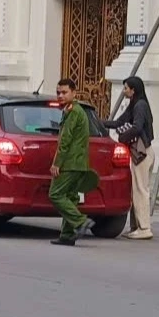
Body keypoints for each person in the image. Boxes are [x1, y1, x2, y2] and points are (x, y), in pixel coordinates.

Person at [103, 75, 155, 240]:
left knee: (140, 190)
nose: (124, 91)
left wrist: (123, 137)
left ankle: (144, 228)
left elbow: (137, 127)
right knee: (136, 190)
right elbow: (119, 122)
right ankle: (136, 227)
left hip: (141, 153)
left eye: (126, 88)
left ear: (133, 90)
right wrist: (100, 123)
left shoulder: (140, 105)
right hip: (141, 153)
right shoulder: (135, 104)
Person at [48, 78, 97, 246]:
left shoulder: (74, 112)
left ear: (74, 93)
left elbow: (65, 140)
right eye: (58, 92)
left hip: (70, 162)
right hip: (79, 163)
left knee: (55, 194)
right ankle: (67, 235)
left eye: (64, 92)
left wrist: (57, 163)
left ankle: (81, 221)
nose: (60, 96)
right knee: (70, 197)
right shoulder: (72, 110)